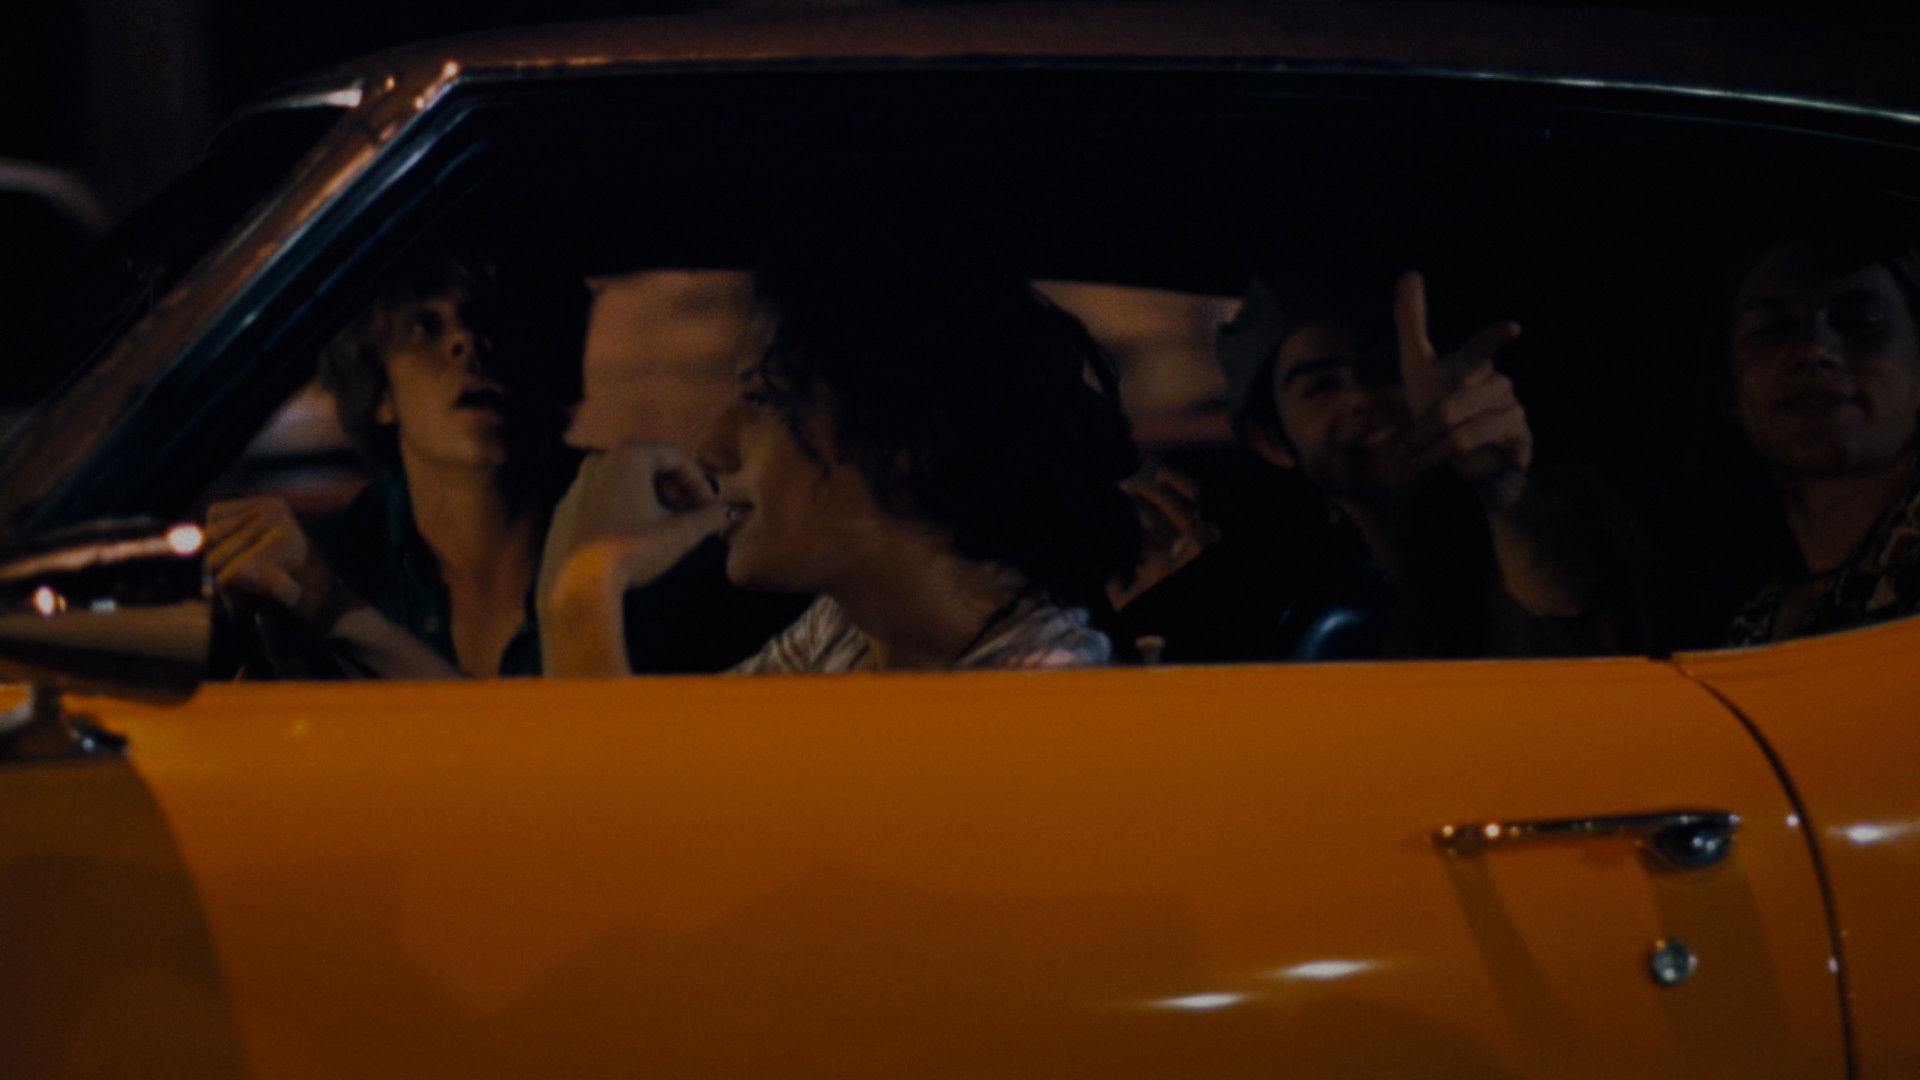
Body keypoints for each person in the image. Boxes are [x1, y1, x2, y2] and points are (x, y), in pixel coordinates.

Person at [537, 244, 1143, 675]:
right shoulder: (851, 634)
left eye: (763, 400)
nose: (712, 447)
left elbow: (640, 817)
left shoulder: (1039, 692)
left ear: (911, 445)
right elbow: (692, 778)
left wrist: (580, 594)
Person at [1107, 261, 1630, 661]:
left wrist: (1502, 489)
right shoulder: (1285, 595)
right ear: (1272, 440)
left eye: (1386, 369)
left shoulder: (1559, 512)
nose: (1360, 398)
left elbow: (1579, 607)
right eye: (1321, 386)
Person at [206, 248, 587, 677]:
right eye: (424, 326)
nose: (466, 340)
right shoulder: (325, 565)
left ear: (547, 355)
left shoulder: (620, 530)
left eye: (495, 316)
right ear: (380, 391)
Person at [1719, 231, 1920, 644]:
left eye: (1861, 322)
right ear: (1728, 390)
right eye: (1773, 329)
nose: (1814, 350)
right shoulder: (1750, 628)